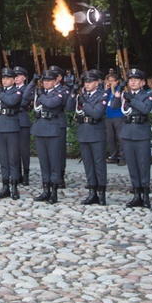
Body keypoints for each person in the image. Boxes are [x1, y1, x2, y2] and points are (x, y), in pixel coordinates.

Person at [110, 69, 152, 208]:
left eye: (136, 79)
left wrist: (132, 99)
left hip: (141, 132)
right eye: (131, 80)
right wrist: (119, 90)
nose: (133, 82)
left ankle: (145, 195)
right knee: (132, 165)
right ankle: (136, 194)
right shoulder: (124, 94)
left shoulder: (147, 95)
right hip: (127, 132)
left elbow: (145, 109)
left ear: (142, 82)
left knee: (143, 164)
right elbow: (113, 106)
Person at [29, 66, 69, 203]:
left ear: (54, 81)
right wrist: (33, 83)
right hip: (40, 128)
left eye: (49, 80)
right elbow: (25, 96)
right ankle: (45, 189)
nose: (46, 82)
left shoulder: (60, 92)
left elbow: (52, 103)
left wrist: (41, 95)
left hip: (53, 129)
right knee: (44, 162)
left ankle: (54, 192)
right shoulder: (40, 91)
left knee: (54, 162)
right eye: (44, 80)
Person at [68, 69, 108, 205]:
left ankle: (101, 193)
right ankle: (92, 192)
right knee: (88, 164)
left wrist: (84, 103)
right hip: (83, 132)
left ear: (98, 82)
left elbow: (97, 113)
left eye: (90, 82)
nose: (87, 84)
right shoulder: (81, 95)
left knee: (99, 164)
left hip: (96, 132)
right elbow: (68, 108)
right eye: (85, 82)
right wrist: (73, 93)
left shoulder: (102, 95)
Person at [0, 67, 23, 200]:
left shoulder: (18, 91)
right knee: (3, 159)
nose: (5, 81)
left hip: (11, 126)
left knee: (13, 159)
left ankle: (14, 186)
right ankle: (5, 187)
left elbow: (11, 101)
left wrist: (0, 93)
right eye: (3, 78)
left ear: (14, 80)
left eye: (8, 78)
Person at [14, 66, 32, 185]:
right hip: (12, 121)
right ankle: (17, 173)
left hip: (23, 120)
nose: (16, 78)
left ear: (24, 77)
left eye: (19, 76)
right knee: (14, 149)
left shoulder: (28, 89)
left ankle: (26, 174)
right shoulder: (9, 89)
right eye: (15, 76)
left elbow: (24, 102)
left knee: (24, 149)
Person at [104, 74, 125, 165]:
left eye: (113, 81)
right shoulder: (107, 90)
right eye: (109, 81)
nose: (110, 83)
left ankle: (122, 157)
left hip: (118, 115)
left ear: (117, 81)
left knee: (120, 137)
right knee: (110, 138)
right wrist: (106, 89)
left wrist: (112, 89)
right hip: (109, 116)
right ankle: (113, 156)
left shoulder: (120, 89)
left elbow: (116, 99)